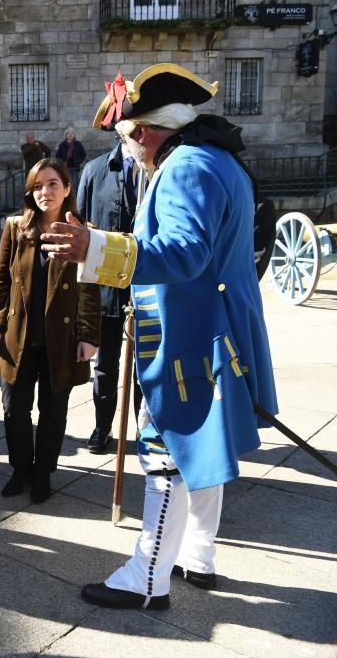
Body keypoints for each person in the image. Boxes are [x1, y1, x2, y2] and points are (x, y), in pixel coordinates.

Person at [41, 64, 278, 610]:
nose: (132, 146)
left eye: (130, 136)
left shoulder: (186, 168)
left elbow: (183, 254)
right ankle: (199, 555)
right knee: (203, 448)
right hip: (214, 329)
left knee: (165, 452)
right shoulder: (218, 160)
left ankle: (147, 578)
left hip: (190, 336)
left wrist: (95, 249)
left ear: (146, 130)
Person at [0, 159, 100, 503]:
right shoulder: (16, 228)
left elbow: (91, 286)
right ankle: (20, 469)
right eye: (37, 186)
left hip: (60, 339)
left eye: (52, 184)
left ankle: (43, 474)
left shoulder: (83, 232)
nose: (44, 192)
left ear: (67, 189)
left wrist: (89, 335)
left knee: (53, 410)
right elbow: (2, 278)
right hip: (19, 335)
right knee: (14, 408)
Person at [77, 139, 143, 454]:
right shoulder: (94, 170)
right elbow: (80, 229)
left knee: (145, 368)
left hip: (147, 289)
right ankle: (102, 427)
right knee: (105, 366)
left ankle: (146, 430)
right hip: (106, 290)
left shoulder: (159, 168)